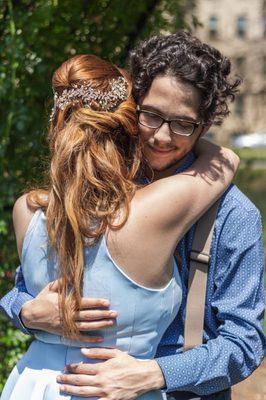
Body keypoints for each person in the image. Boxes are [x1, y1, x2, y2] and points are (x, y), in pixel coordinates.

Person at [1, 31, 264, 400]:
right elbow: (26, 287)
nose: (162, 136)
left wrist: (155, 374)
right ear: (131, 107)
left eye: (183, 124)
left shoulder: (234, 214)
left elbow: (246, 342)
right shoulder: (96, 182)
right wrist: (27, 312)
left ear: (204, 125)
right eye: (151, 116)